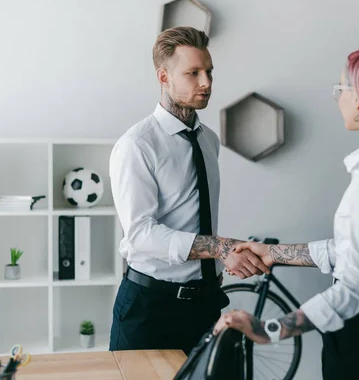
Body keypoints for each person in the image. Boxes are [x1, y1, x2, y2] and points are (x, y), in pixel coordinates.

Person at [214, 41, 359, 380]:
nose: (338, 97)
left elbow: (355, 287)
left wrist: (268, 329)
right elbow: (354, 251)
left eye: (341, 88)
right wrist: (274, 253)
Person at [108, 26, 269, 354]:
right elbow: (140, 234)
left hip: (204, 306)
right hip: (150, 309)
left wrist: (221, 259)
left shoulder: (209, 140)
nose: (206, 82)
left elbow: (195, 217)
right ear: (164, 76)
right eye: (193, 73)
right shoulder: (136, 146)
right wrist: (219, 247)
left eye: (208, 72)